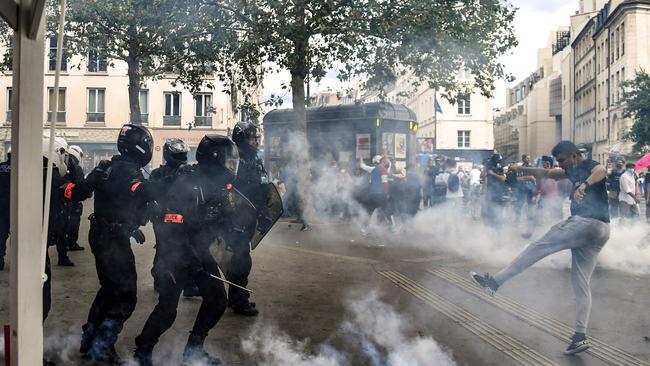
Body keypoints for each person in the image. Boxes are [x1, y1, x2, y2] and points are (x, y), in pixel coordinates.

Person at [471, 141, 610, 355]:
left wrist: (585, 185)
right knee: (580, 283)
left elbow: (601, 170)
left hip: (585, 223)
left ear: (574, 156)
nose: (561, 165)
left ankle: (495, 283)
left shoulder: (588, 165)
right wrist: (522, 169)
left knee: (537, 247)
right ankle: (580, 336)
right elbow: (550, 173)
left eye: (563, 160)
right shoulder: (571, 170)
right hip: (601, 230)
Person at [134, 135, 255, 366]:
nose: (232, 167)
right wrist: (188, 256)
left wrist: (236, 229)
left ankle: (193, 351)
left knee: (217, 300)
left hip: (199, 252)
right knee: (167, 310)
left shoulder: (216, 185)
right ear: (215, 159)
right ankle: (142, 352)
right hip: (176, 254)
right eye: (229, 162)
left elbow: (214, 219)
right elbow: (172, 222)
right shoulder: (186, 181)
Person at [70, 124, 154, 364]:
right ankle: (103, 347)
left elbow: (109, 201)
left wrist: (131, 228)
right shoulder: (130, 172)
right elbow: (137, 193)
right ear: (141, 147)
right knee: (125, 295)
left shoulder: (106, 166)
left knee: (108, 289)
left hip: (100, 233)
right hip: (112, 240)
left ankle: (89, 339)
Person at [148, 139, 200, 298]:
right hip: (163, 217)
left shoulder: (188, 171)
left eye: (184, 154)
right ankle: (159, 280)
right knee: (164, 248)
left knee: (189, 249)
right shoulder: (158, 173)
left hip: (185, 216)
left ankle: (190, 285)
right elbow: (152, 192)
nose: (182, 157)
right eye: (179, 154)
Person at [229, 122, 267, 316]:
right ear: (243, 140)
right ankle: (239, 301)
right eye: (252, 138)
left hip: (249, 215)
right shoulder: (236, 161)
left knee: (239, 258)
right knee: (241, 261)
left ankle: (234, 297)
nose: (255, 142)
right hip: (238, 217)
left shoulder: (253, 160)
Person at [359, 155, 392, 233]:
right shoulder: (384, 169)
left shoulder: (373, 169)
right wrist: (386, 193)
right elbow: (385, 183)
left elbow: (362, 166)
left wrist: (361, 159)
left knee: (369, 212)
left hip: (372, 194)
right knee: (387, 211)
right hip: (381, 195)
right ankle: (392, 228)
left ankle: (364, 229)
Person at [64, 145, 86, 253]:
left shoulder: (62, 163)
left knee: (63, 222)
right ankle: (71, 243)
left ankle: (63, 246)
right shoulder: (76, 167)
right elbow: (80, 184)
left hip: (62, 199)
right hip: (74, 199)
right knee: (74, 221)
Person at [482, 154, 507, 224]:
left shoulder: (500, 169)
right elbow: (485, 179)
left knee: (498, 211)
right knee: (489, 211)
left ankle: (497, 226)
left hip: (498, 193)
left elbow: (503, 178)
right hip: (490, 193)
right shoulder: (490, 168)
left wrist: (493, 174)